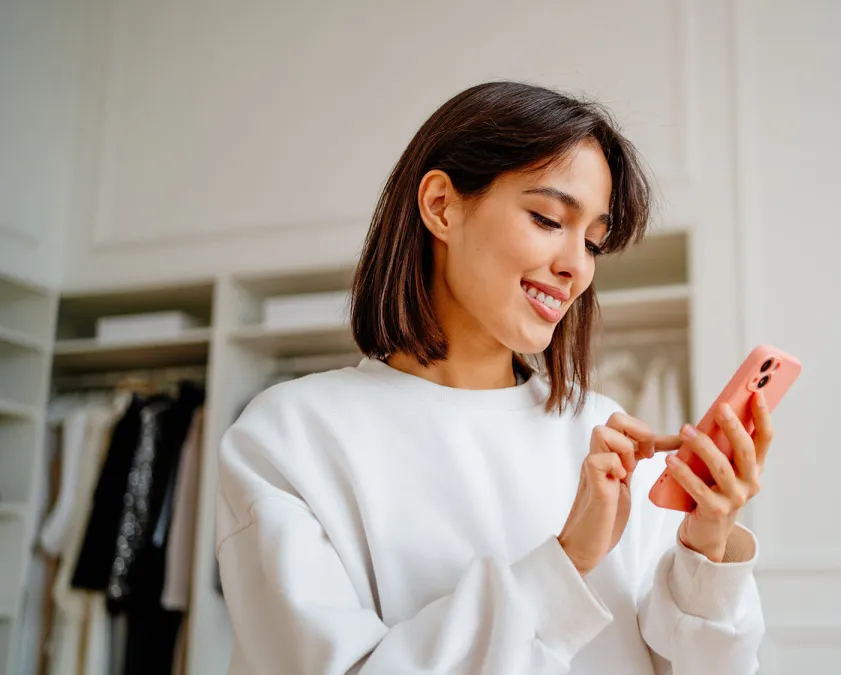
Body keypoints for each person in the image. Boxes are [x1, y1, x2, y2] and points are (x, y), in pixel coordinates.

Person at [216, 81, 774, 675]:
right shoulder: (288, 437)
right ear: (441, 206)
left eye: (592, 242)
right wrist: (566, 564)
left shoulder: (606, 436)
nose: (575, 267)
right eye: (546, 218)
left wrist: (705, 545)